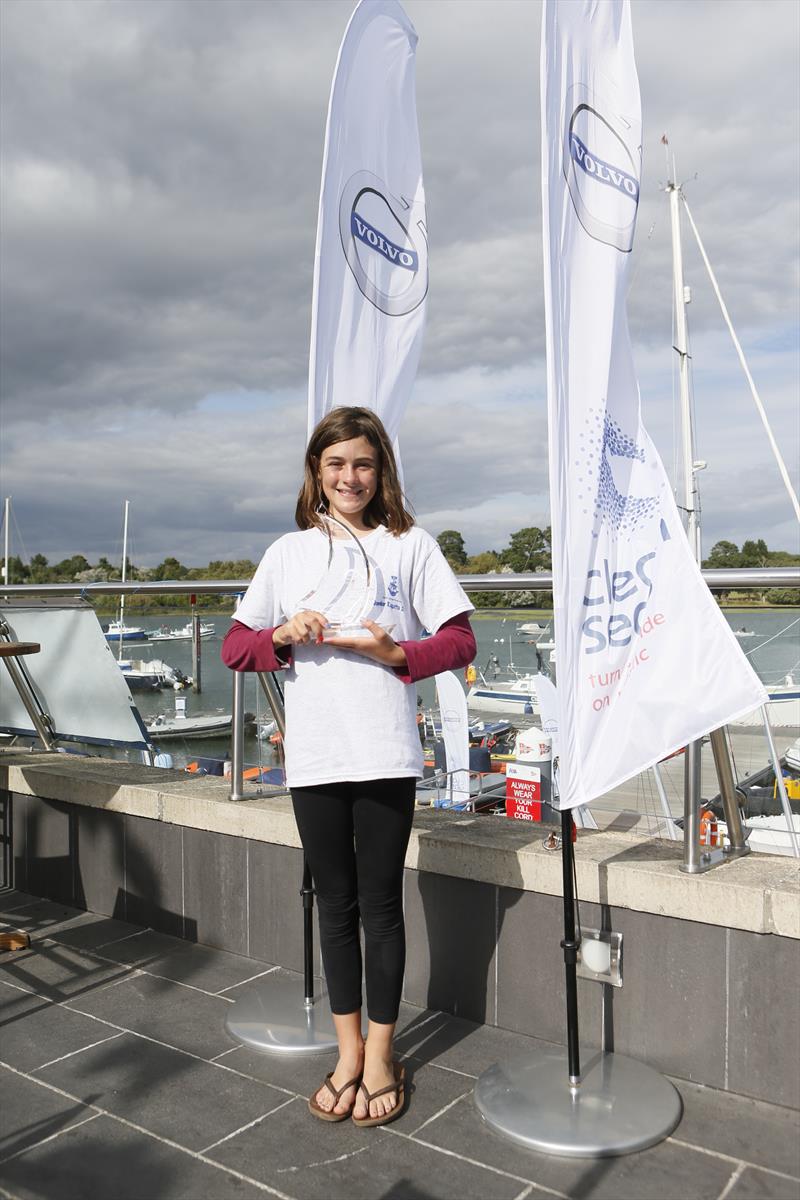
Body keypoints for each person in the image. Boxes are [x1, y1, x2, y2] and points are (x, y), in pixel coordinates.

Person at [222, 406, 476, 1127]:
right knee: (334, 905)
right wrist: (281, 632)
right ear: (316, 473)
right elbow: (236, 649)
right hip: (316, 755)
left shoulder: (412, 546)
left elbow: (459, 641)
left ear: (380, 470)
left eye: (362, 463)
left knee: (382, 906)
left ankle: (384, 1053)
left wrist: (396, 654)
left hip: (386, 749)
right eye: (335, 465)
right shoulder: (288, 553)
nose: (349, 477)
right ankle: (347, 1052)